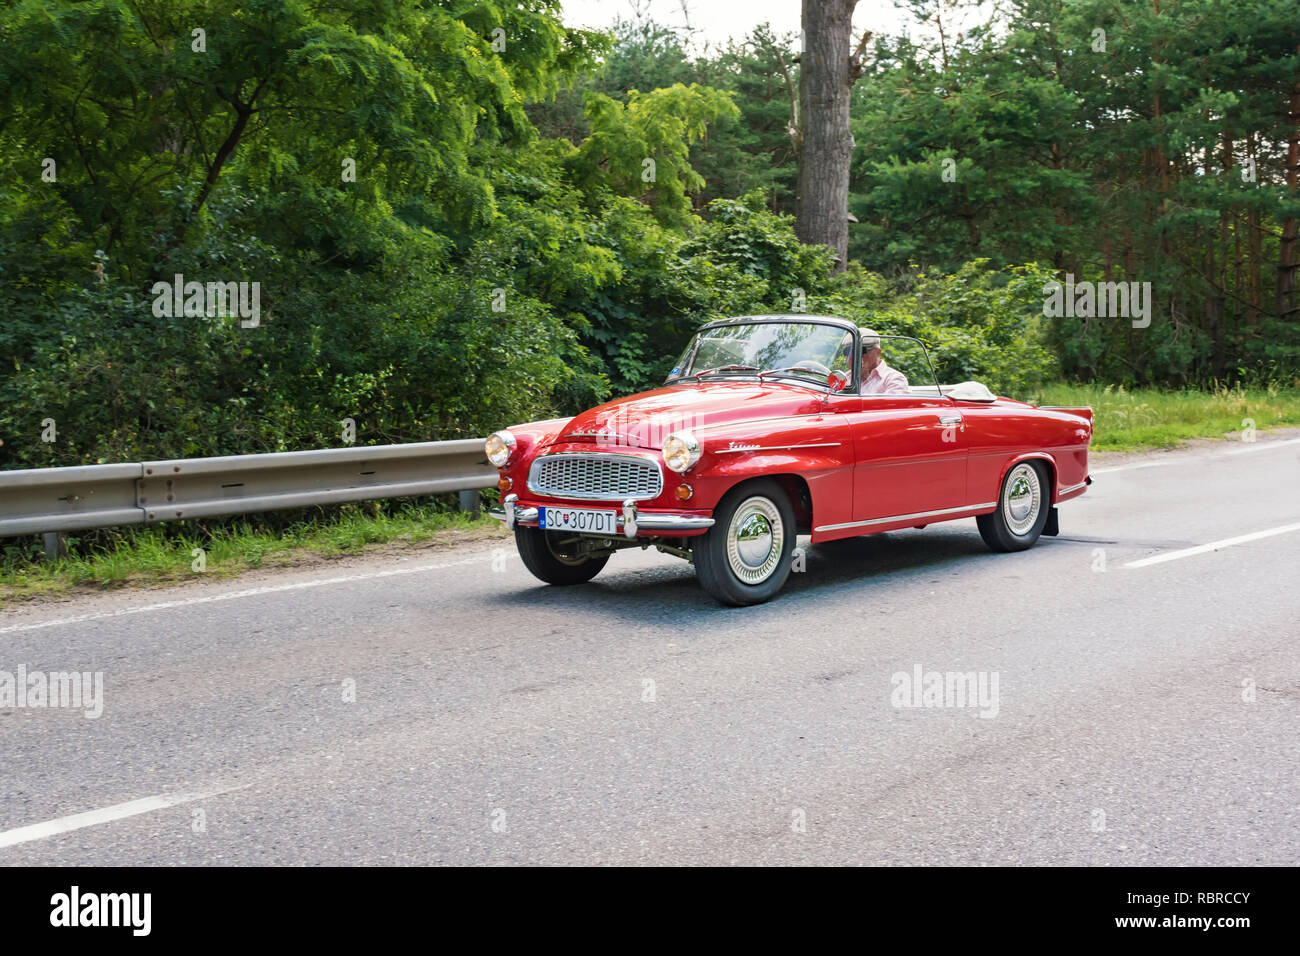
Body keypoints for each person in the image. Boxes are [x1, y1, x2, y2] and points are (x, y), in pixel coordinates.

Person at [859, 328, 909, 394]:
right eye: (848, 352)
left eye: (862, 351)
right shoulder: (847, 376)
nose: (853, 357)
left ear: (878, 352)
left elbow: (892, 404)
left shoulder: (894, 379)